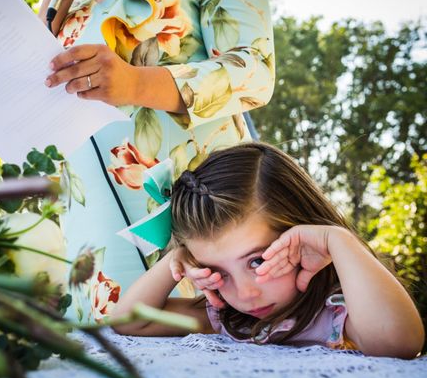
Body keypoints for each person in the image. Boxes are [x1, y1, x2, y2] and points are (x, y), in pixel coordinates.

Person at [40, 0, 275, 322]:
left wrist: (133, 83)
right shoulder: (72, 7)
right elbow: (31, 99)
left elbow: (255, 71)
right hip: (91, 226)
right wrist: (54, 0)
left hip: (197, 211)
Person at [111, 143, 425, 359]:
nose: (245, 294)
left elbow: (400, 344)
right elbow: (129, 321)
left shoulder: (340, 313)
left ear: (305, 232)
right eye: (217, 272)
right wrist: (174, 261)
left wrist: (338, 241)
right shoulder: (227, 319)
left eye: (257, 260)